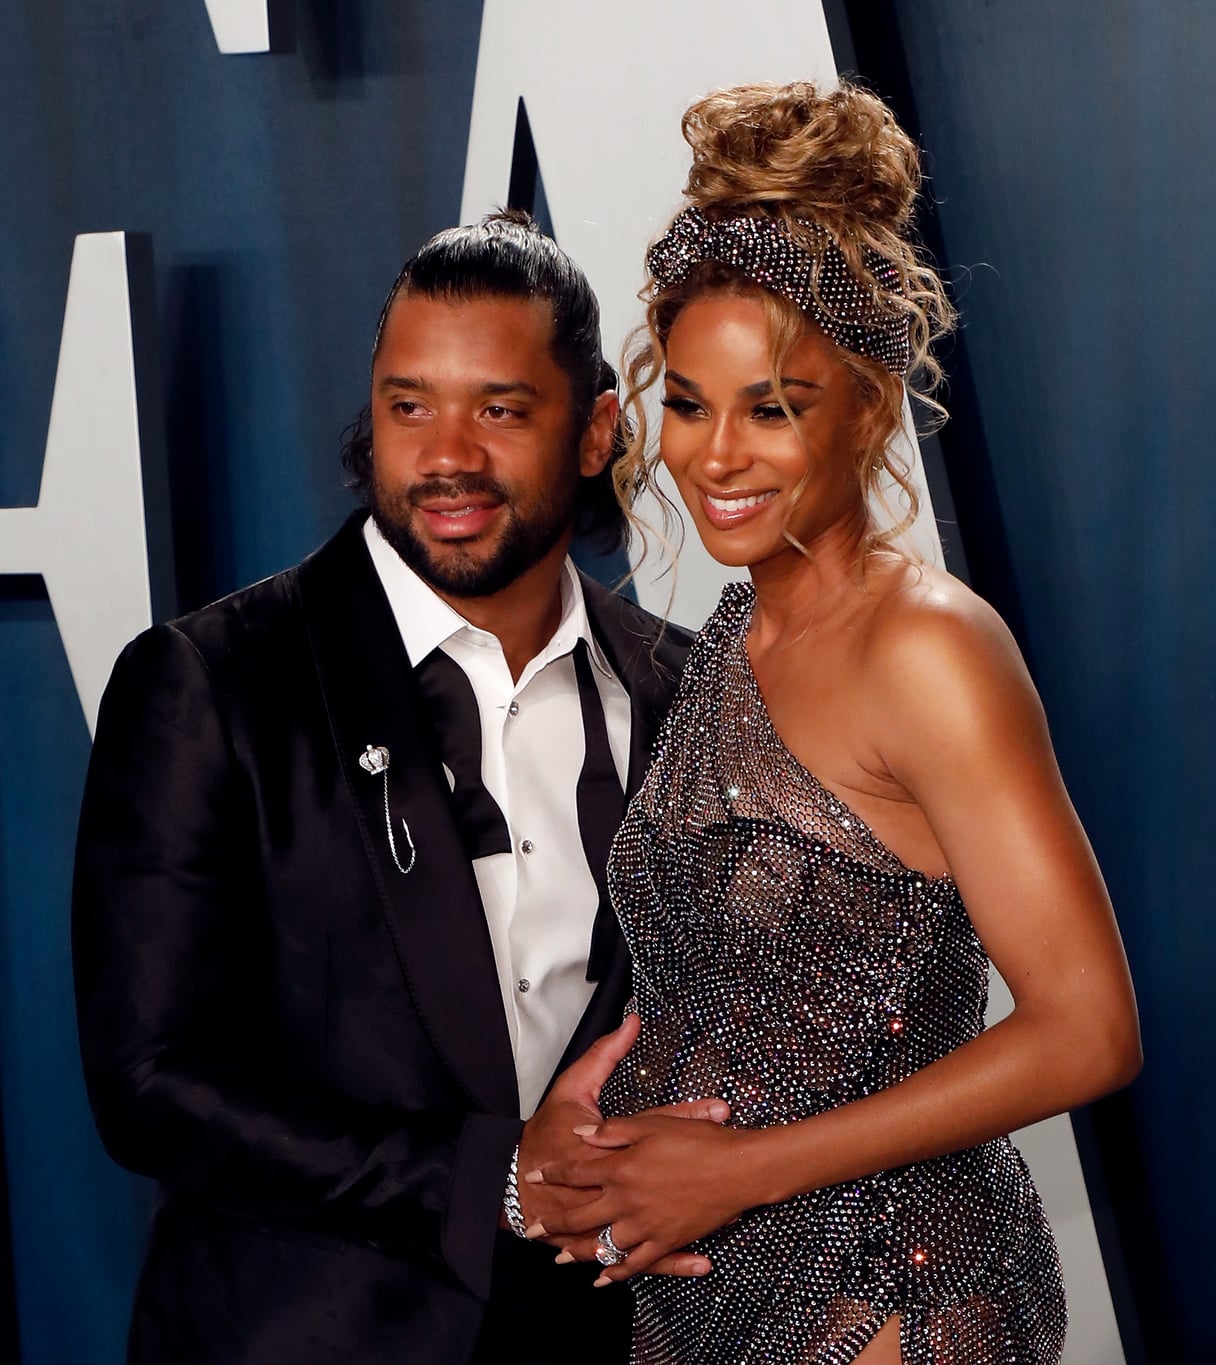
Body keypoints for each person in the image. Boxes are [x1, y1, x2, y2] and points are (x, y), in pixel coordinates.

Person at [522, 83, 1143, 1364]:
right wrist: (597, 1153)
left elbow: (1085, 1028)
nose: (714, 456)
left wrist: (741, 1169)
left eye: (773, 407)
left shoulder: (925, 648)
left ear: (865, 405)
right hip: (708, 1288)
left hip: (889, 1293)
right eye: (687, 404)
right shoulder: (731, 645)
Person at [70, 211, 726, 1364]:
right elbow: (148, 1082)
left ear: (595, 433)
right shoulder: (210, 682)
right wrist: (494, 1182)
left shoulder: (688, 690)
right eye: (407, 404)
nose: (446, 458)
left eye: (500, 410)